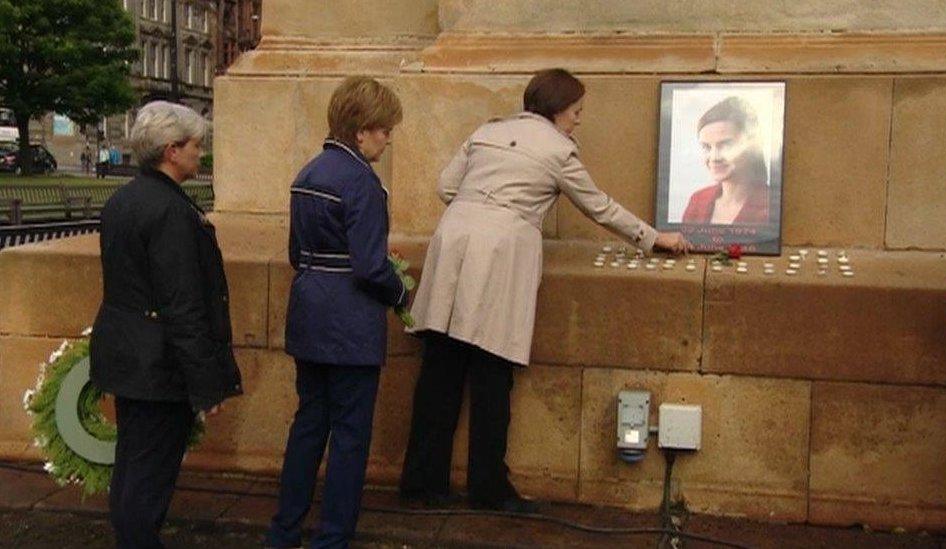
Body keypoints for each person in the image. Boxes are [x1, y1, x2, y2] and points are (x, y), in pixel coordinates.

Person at [400, 68, 691, 513]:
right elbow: (600, 207)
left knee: (439, 369)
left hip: (452, 240)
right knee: (492, 375)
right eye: (576, 111)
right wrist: (654, 238)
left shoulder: (487, 131)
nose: (578, 120)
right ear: (557, 110)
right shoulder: (559, 151)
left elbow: (445, 186)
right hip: (501, 254)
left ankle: (421, 483)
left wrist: (480, 206)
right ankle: (488, 488)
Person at [89, 101, 242, 548]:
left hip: (128, 355)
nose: (201, 154)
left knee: (133, 469)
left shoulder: (124, 200)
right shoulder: (172, 212)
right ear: (171, 150)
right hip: (157, 365)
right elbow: (183, 304)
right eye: (196, 146)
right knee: (149, 478)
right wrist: (206, 383)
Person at [264, 76, 408, 549]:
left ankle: (284, 532)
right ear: (362, 130)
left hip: (308, 315)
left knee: (308, 427)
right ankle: (332, 539)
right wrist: (401, 293)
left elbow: (295, 253)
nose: (387, 139)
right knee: (349, 439)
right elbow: (370, 266)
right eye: (384, 129)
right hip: (351, 326)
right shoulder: (363, 183)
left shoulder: (307, 175)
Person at [681, 96, 770, 225]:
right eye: (706, 147)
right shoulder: (698, 200)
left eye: (726, 145)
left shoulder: (771, 205)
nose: (714, 157)